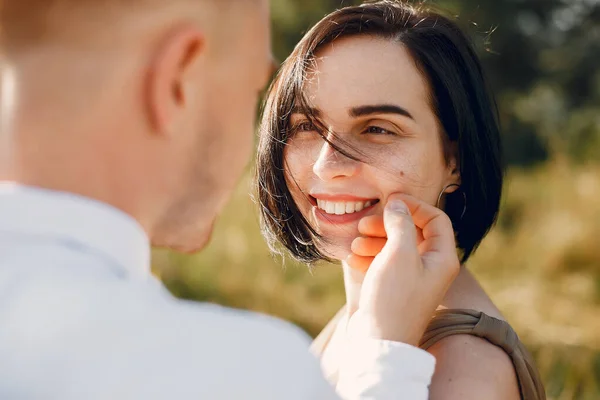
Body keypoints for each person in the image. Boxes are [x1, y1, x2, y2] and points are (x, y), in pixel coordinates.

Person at [0, 0, 460, 399]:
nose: (324, 165)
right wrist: (388, 357)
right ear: (179, 77)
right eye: (252, 90)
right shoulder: (241, 374)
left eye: (377, 129)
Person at [256, 1, 546, 400]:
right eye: (306, 125)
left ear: (454, 161)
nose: (327, 166)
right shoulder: (368, 313)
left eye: (377, 128)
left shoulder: (467, 373)